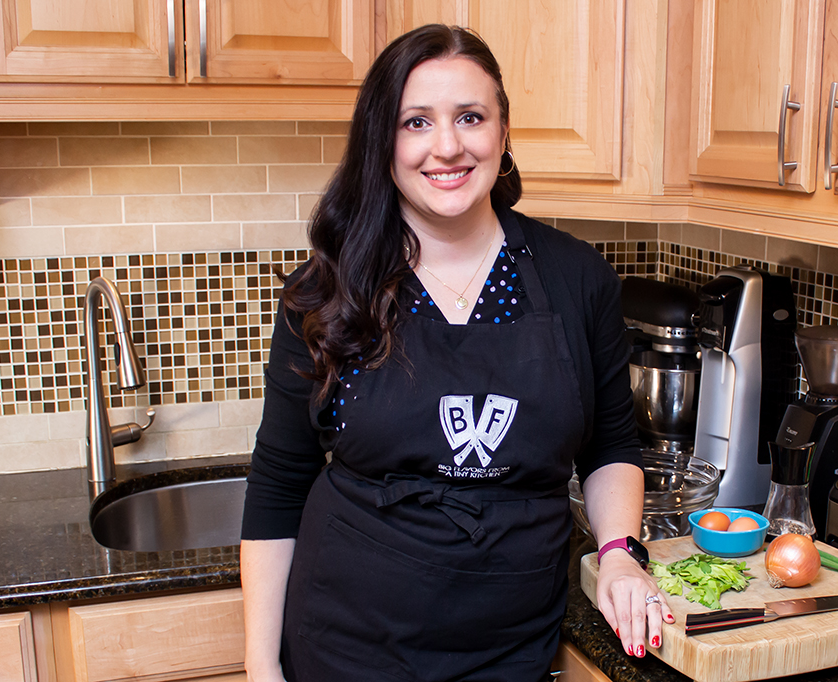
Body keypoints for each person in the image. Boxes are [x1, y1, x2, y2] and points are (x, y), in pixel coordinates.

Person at [240, 23, 672, 682]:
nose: (447, 146)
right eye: (416, 122)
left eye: (470, 117)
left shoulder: (577, 277)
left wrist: (618, 552)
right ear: (381, 141)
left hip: (511, 646)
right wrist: (259, 664)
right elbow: (278, 484)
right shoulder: (330, 290)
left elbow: (612, 445)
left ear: (502, 132)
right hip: (346, 645)